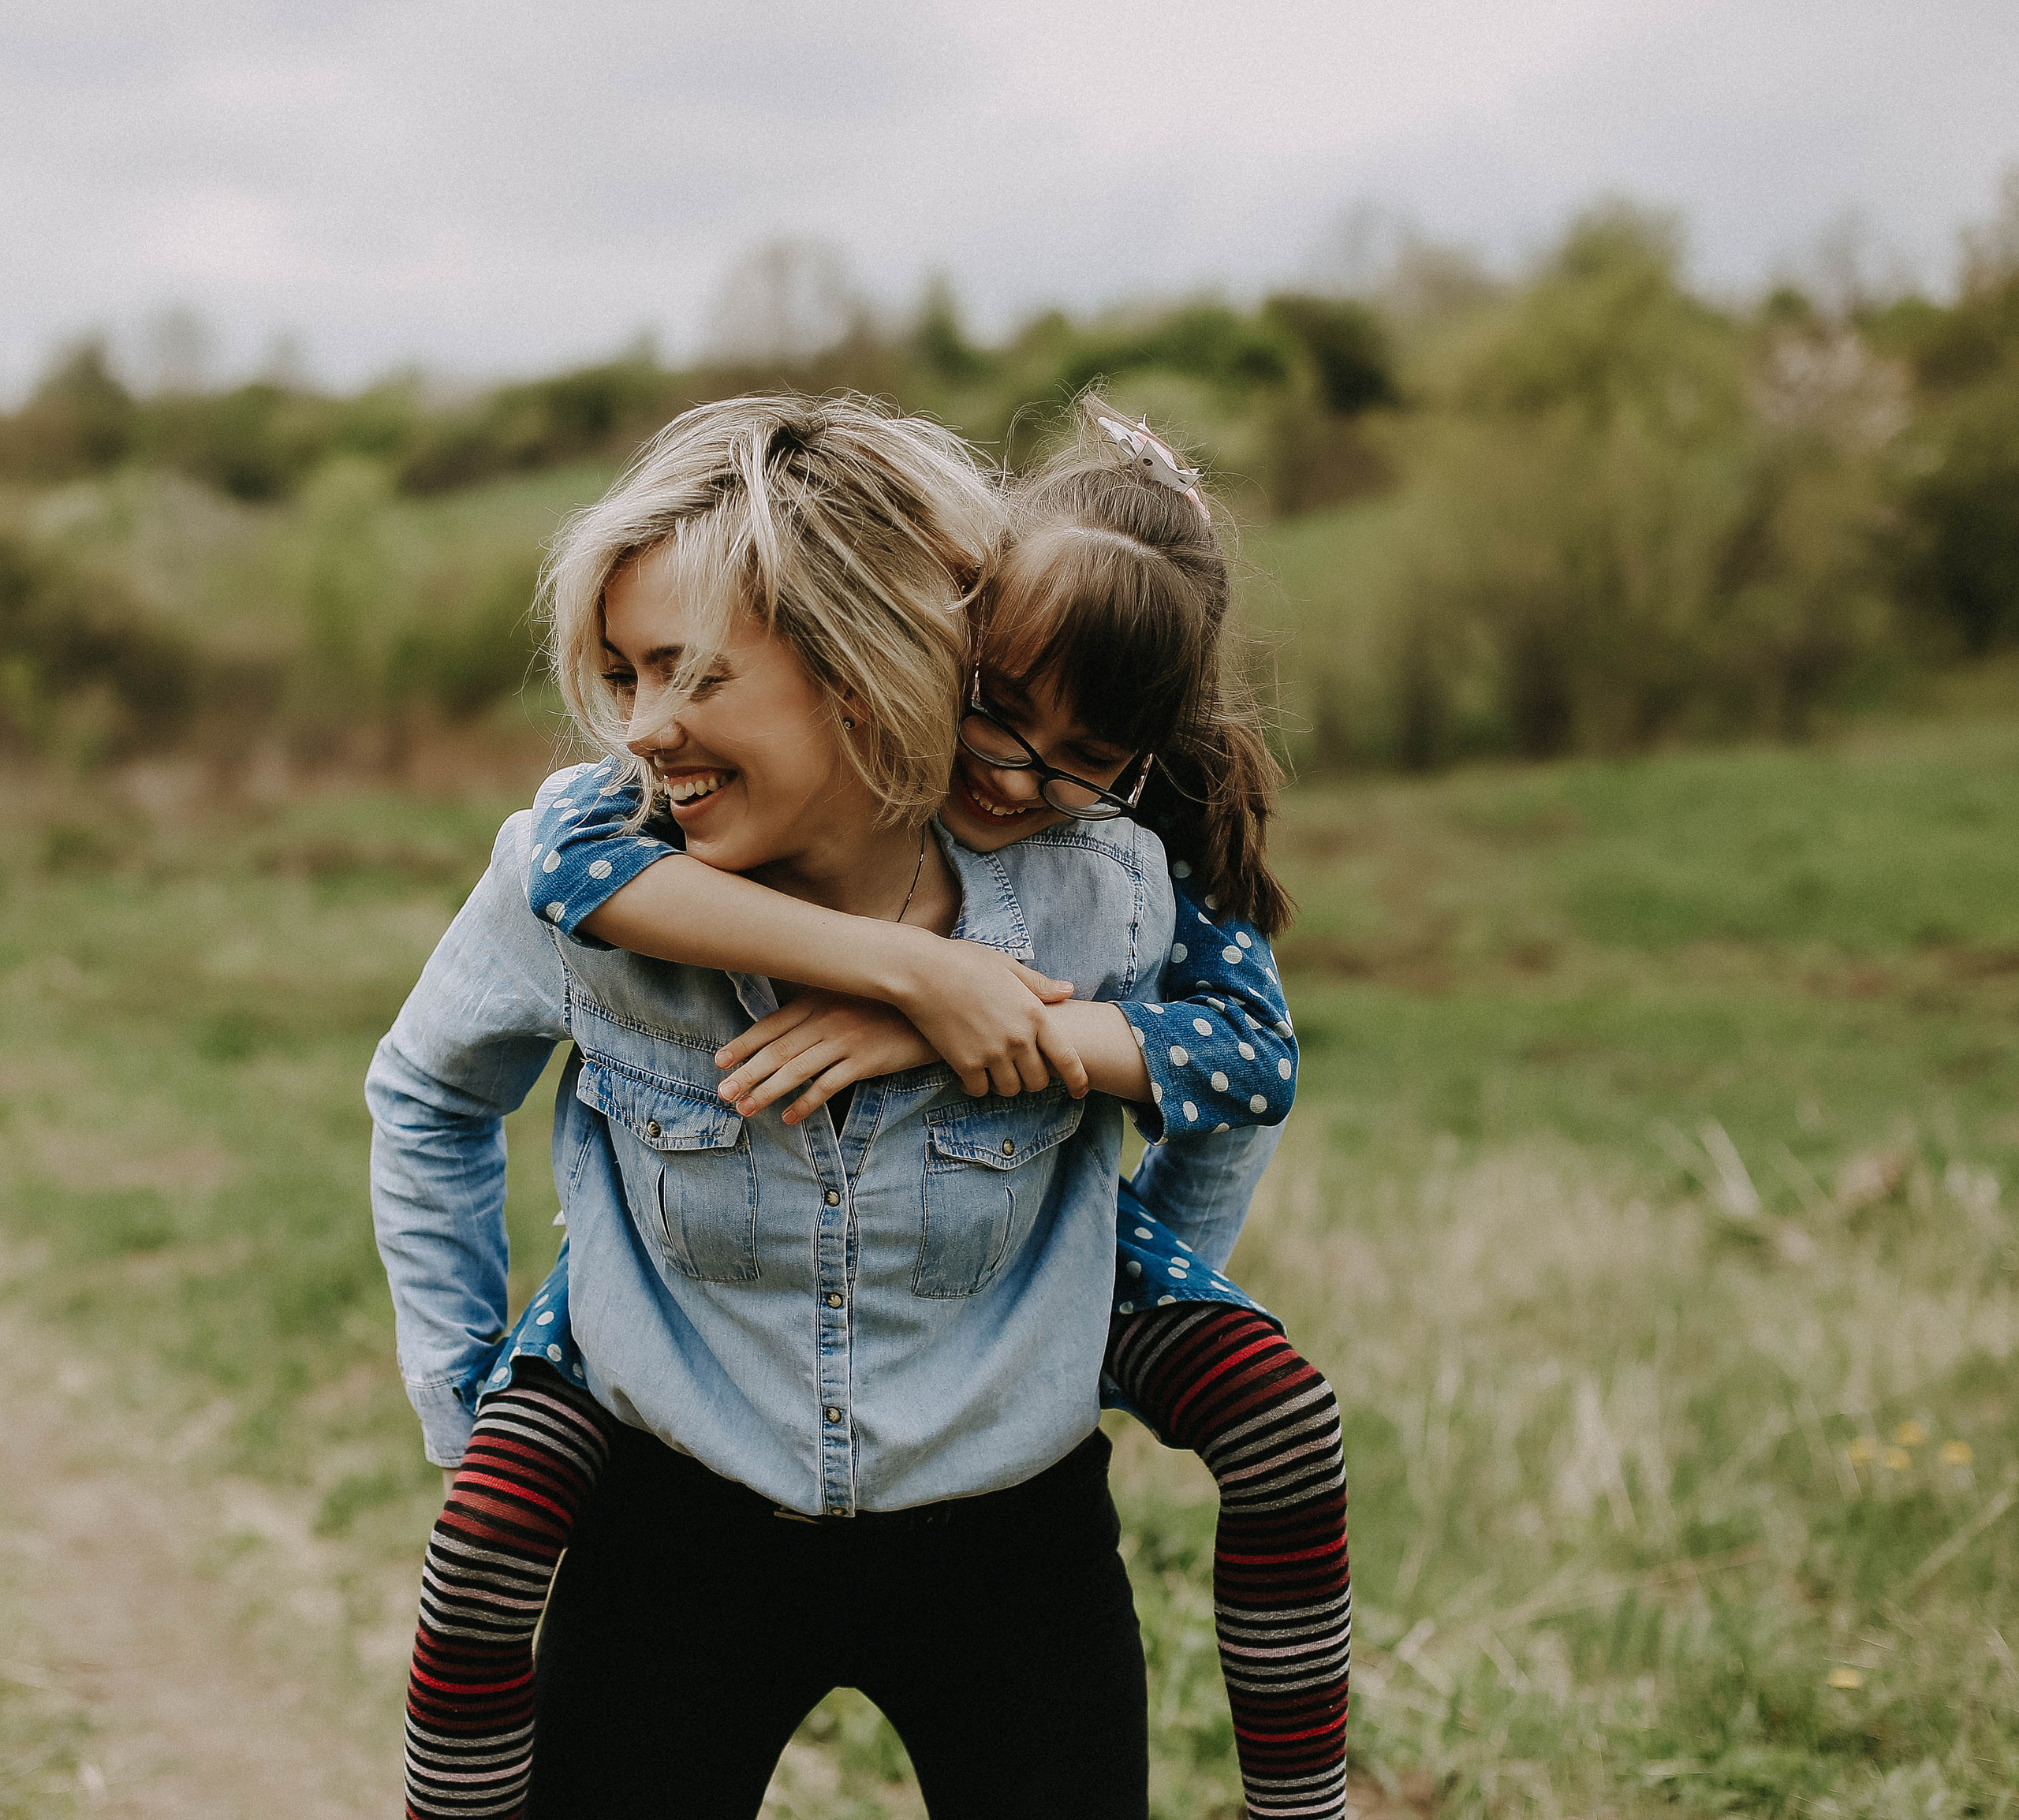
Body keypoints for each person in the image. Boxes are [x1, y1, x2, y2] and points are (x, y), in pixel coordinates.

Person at [394, 401, 1350, 1820]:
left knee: (1284, 1422)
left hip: (1005, 1523)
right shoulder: (591, 855)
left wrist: (1108, 1285)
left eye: (693, 674)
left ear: (854, 662)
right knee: (489, 1523)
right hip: (680, 1499)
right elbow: (493, 989)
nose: (647, 724)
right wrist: (917, 975)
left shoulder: (1108, 886)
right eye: (625, 674)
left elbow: (1244, 1071)